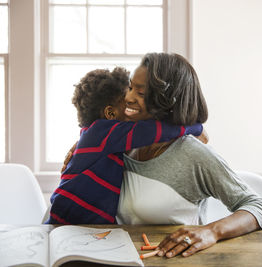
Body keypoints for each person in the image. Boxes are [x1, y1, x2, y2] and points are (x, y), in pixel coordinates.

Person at [117, 53, 262, 258]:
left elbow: (257, 207)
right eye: (130, 87)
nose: (128, 97)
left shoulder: (192, 154)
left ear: (167, 101)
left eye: (141, 93)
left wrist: (212, 231)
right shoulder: (124, 142)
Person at [46, 67, 202, 224]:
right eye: (128, 103)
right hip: (65, 221)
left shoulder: (102, 138)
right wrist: (195, 127)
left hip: (90, 226)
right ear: (111, 113)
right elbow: (150, 131)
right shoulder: (102, 133)